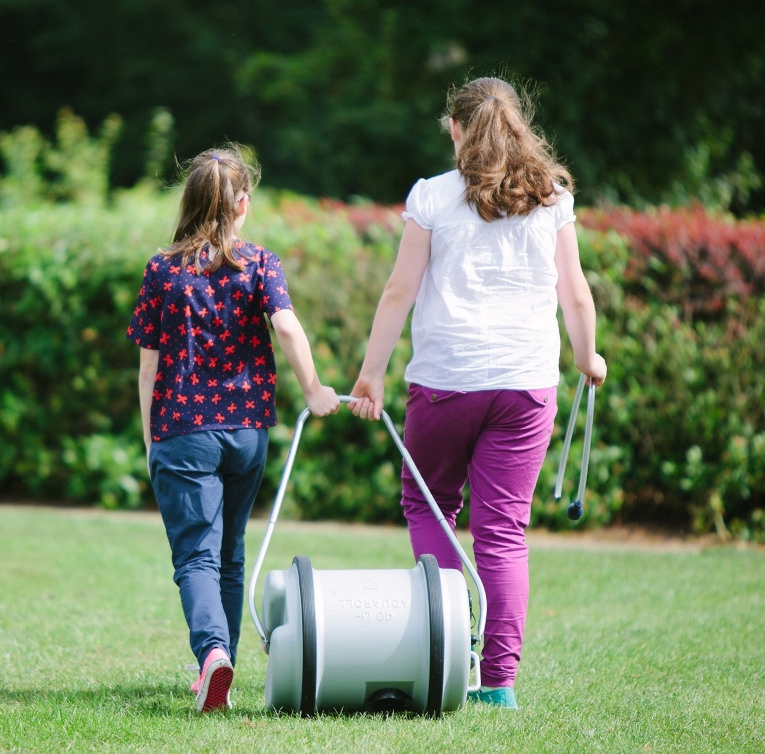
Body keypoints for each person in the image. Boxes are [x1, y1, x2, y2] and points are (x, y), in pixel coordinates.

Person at [347, 77, 608, 710]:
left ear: (456, 129)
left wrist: (372, 372)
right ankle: (498, 683)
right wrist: (587, 356)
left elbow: (399, 291)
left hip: (446, 380)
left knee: (430, 504)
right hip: (526, 384)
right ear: (519, 126)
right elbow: (574, 291)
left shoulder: (432, 196)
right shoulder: (553, 197)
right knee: (504, 532)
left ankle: (449, 644)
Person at [127, 145, 340, 713]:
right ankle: (220, 667)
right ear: (242, 204)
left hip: (182, 430)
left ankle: (213, 656)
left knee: (196, 556)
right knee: (230, 552)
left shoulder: (162, 269)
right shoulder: (260, 263)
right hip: (247, 431)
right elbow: (287, 328)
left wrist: (150, 437)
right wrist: (314, 389)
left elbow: (148, 365)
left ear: (189, 201)